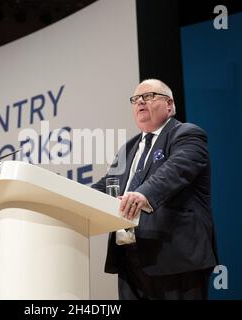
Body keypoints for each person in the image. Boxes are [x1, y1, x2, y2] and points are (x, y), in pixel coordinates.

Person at [91, 79, 218, 300]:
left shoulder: (187, 134)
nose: (140, 101)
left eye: (148, 96)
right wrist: (67, 192)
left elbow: (176, 170)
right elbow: (106, 185)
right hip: (128, 259)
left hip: (174, 257)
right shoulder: (128, 148)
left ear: (169, 104)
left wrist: (143, 194)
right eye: (135, 99)